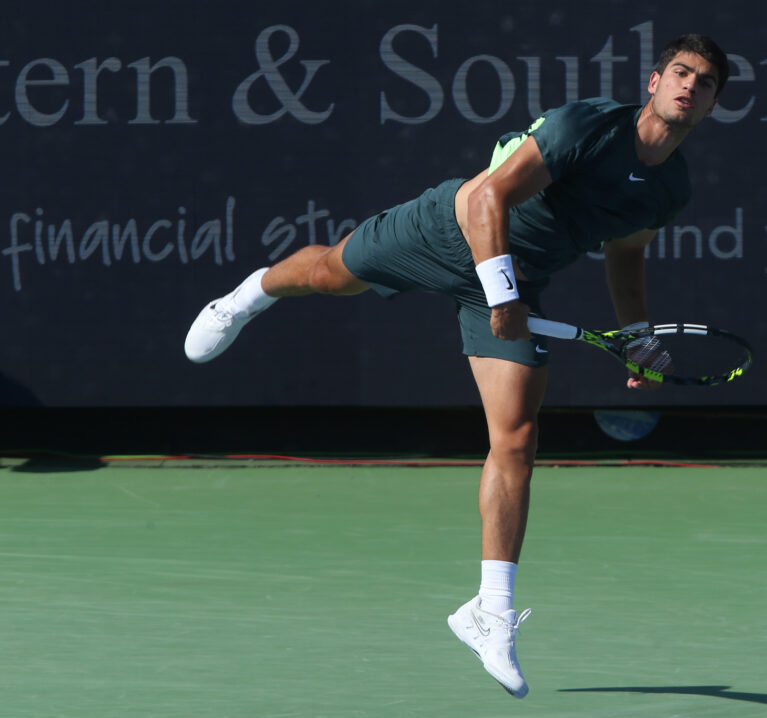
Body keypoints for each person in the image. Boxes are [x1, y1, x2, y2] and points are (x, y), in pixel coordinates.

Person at [184, 33, 728, 699]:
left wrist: (637, 334)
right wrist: (501, 294)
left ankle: (488, 610)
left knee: (518, 439)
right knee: (330, 275)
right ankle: (248, 295)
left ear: (710, 106)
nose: (689, 87)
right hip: (449, 230)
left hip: (514, 284)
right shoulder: (586, 126)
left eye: (704, 83)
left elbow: (626, 254)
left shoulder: (670, 186)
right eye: (681, 72)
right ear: (653, 80)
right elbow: (486, 200)